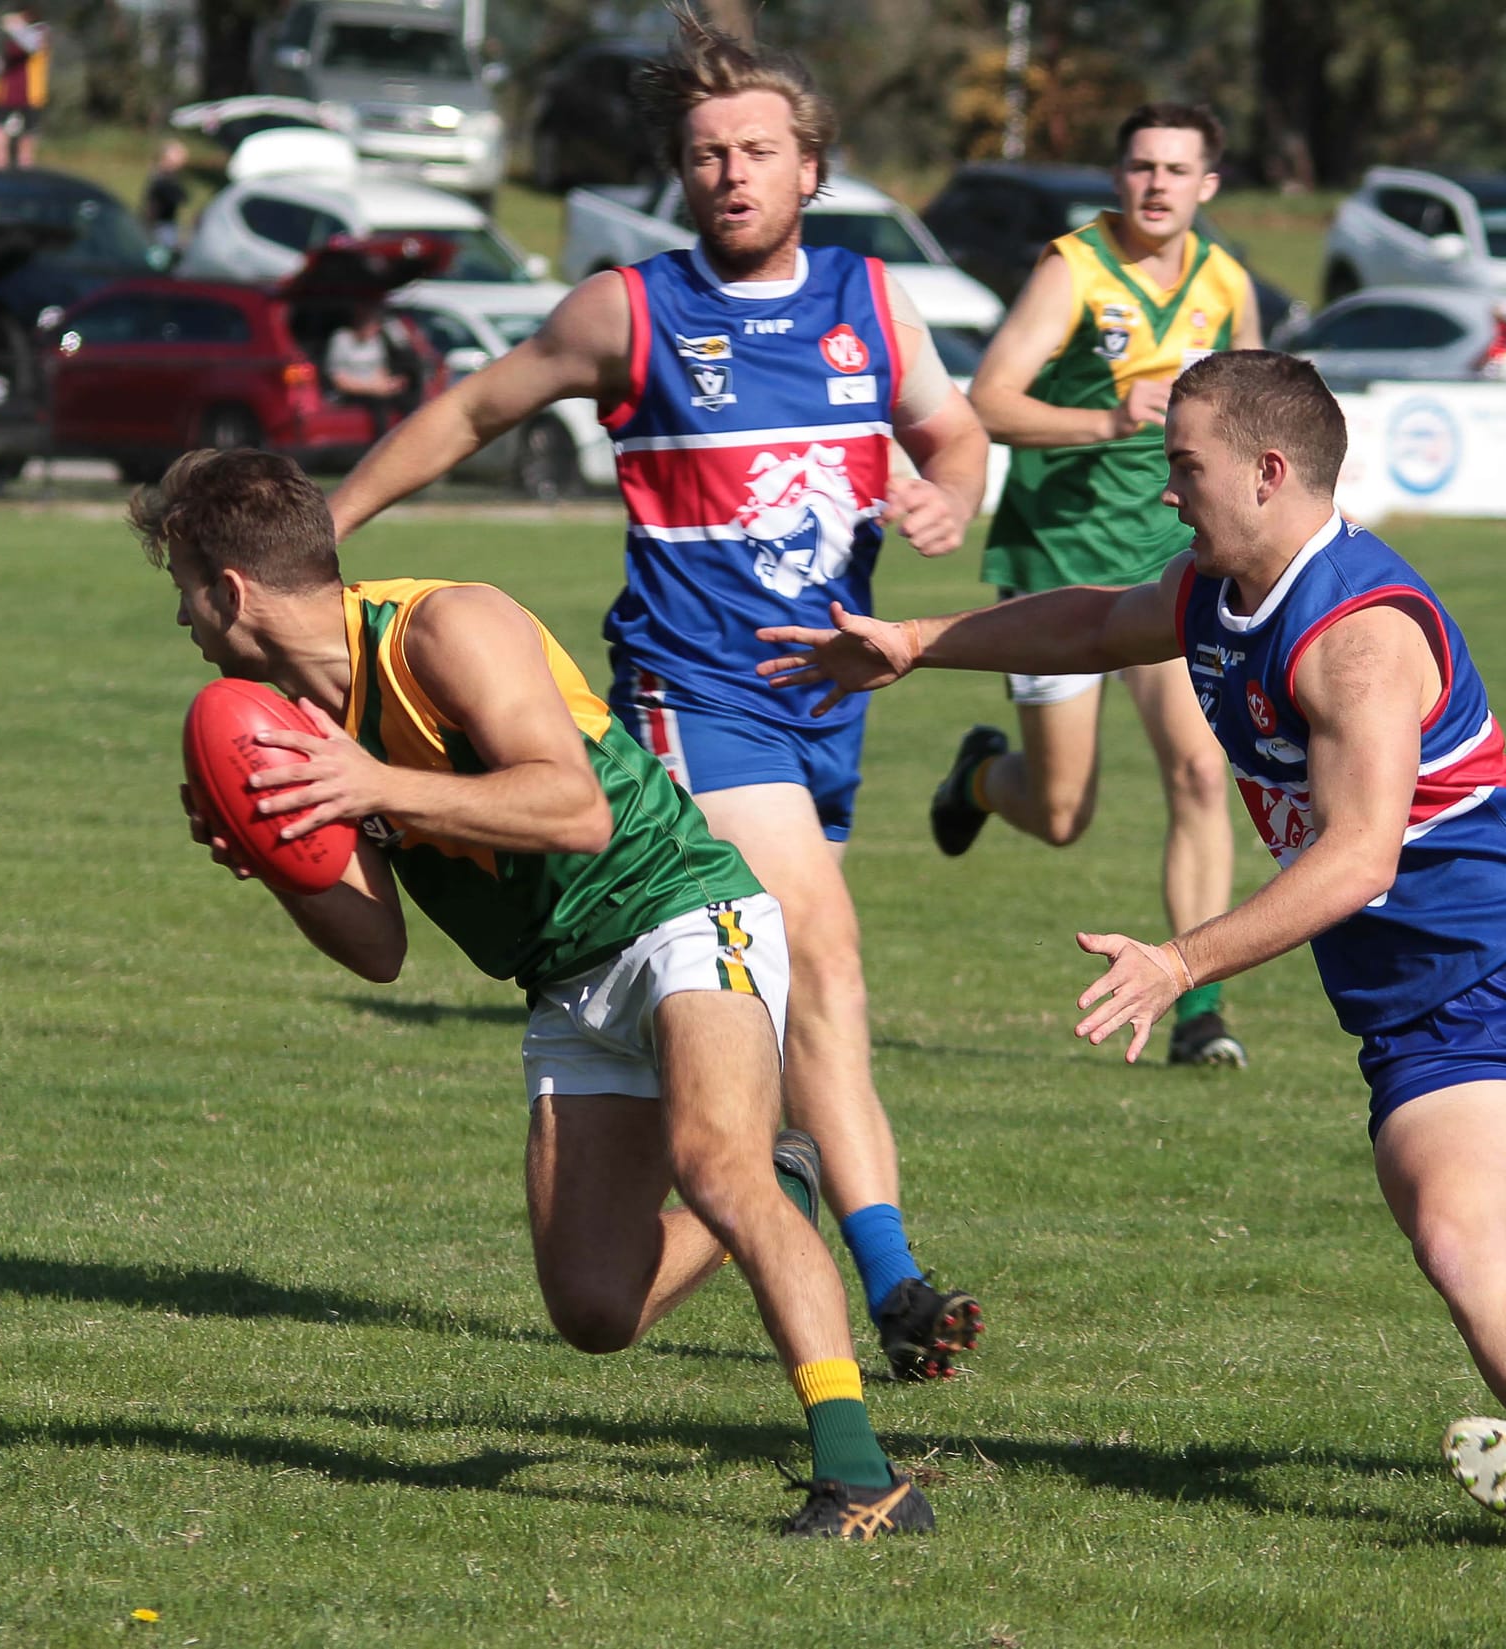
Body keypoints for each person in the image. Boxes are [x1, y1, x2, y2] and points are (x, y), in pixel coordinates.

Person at [756, 349, 1506, 1545]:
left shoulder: (1356, 635)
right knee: (1462, 1242)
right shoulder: (1214, 587)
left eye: (1183, 467)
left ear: (1265, 471)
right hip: (1422, 1007)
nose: (1166, 492)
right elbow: (1099, 619)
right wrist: (916, 640)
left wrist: (1178, 962)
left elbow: (1360, 857)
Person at [328, 14, 991, 1381]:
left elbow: (955, 425)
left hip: (832, 709)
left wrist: (948, 489)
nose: (730, 173)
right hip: (695, 699)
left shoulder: (875, 302)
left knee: (796, 979)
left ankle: (783, 1178)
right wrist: (323, 525)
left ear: (813, 167)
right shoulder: (631, 312)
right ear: (678, 176)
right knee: (827, 944)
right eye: (704, 156)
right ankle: (895, 1277)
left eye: (756, 150)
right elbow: (467, 415)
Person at [134, 447, 934, 1539]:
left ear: (229, 588)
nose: (181, 619)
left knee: (714, 1163)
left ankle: (860, 1473)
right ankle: (786, 1189)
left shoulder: (445, 626)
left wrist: (374, 785)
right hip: (565, 982)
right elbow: (377, 949)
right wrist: (276, 859)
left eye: (182, 587)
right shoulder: (294, 723)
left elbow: (576, 810)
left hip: (678, 906)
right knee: (597, 1308)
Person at [935, 102, 1261, 1069]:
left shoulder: (1226, 283)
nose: (1156, 184)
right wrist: (1109, 421)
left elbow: (1253, 410)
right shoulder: (1071, 268)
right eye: (1139, 166)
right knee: (1065, 812)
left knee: (1203, 772)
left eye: (1176, 169)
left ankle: (1201, 1009)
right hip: (1060, 561)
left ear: (1207, 185)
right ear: (1118, 178)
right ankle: (984, 779)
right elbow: (987, 400)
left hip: (1175, 561)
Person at [324, 303, 416, 437]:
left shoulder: (375, 340)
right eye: (368, 324)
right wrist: (373, 389)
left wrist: (389, 384)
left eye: (375, 325)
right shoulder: (341, 339)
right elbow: (339, 381)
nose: (373, 329)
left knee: (408, 401)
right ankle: (381, 446)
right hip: (352, 392)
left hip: (375, 388)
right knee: (379, 407)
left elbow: (381, 369)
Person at [0, 9, 48, 170]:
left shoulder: (39, 31)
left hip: (31, 93)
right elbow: (4, 65)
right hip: (4, 92)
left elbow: (31, 47)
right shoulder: (8, 38)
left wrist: (15, 28)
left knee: (28, 132)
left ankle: (25, 166)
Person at [143, 140, 192, 254]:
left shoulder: (169, 177)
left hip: (166, 223)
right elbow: (154, 203)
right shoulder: (162, 179)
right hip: (161, 225)